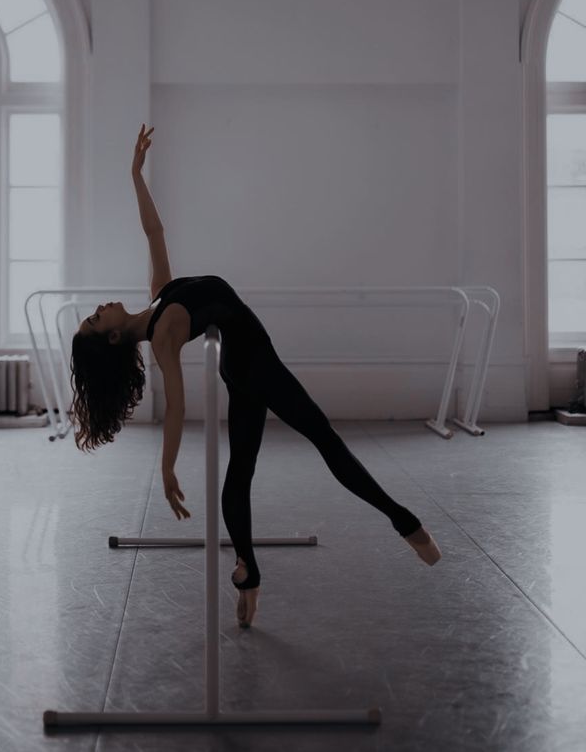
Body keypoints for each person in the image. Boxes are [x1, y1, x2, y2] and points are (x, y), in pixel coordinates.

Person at [70, 125, 441, 628]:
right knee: (326, 441)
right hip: (256, 368)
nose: (98, 309)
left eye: (92, 313)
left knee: (241, 472)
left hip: (242, 369)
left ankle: (248, 573)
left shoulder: (160, 295)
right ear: (113, 340)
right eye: (96, 320)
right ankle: (406, 522)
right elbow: (176, 405)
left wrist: (136, 175)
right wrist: (167, 467)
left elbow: (154, 232)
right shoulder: (164, 334)